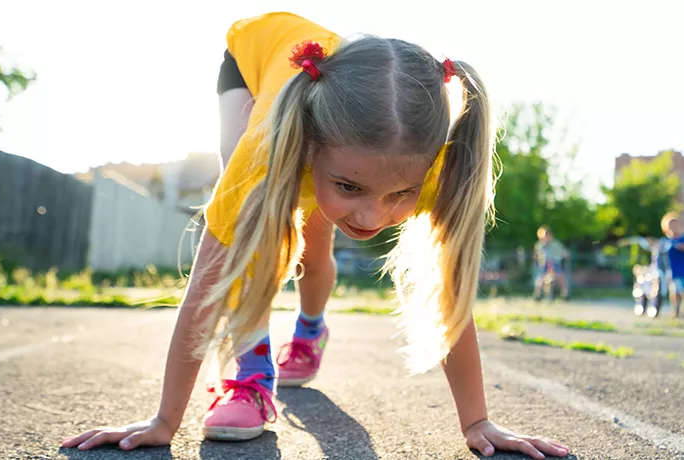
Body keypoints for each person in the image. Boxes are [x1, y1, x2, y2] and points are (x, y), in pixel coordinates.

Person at [62, 12, 570, 459]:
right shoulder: (258, 159)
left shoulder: (436, 169)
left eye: (400, 193)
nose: (373, 218)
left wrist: (476, 422)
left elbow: (450, 297)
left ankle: (310, 328)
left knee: (322, 231)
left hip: (330, 119)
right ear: (307, 150)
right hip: (250, 64)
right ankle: (252, 370)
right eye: (352, 185)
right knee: (261, 230)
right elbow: (205, 289)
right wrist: (164, 422)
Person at [533, 226, 570, 300]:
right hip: (544, 265)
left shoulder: (555, 244)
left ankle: (565, 294)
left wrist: (565, 255)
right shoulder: (540, 245)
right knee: (541, 278)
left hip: (555, 264)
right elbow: (537, 255)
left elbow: (563, 253)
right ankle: (537, 294)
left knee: (561, 277)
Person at [661, 212, 684, 318]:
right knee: (675, 291)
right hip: (672, 270)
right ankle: (675, 309)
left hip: (682, 268)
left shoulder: (682, 239)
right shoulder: (666, 240)